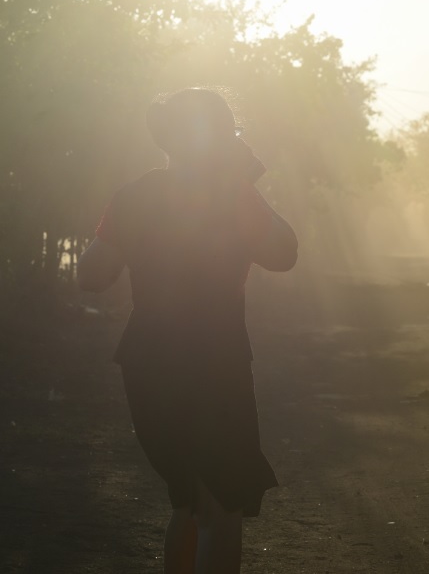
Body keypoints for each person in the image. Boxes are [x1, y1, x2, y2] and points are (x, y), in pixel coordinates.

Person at [78, 87, 298, 574]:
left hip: (147, 361)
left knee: (189, 501)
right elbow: (284, 254)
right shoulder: (234, 193)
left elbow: (90, 275)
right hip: (215, 361)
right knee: (221, 505)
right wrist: (242, 184)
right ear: (224, 137)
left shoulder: (135, 195)